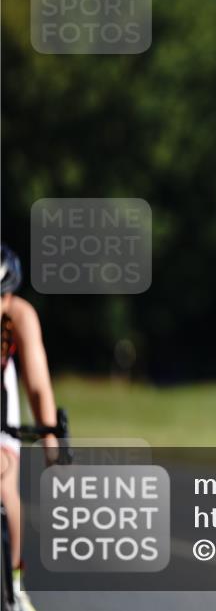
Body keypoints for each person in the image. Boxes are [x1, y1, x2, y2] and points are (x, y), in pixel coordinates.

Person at [1, 244, 58, 611]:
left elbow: (37, 384)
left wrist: (50, 433)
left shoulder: (21, 316)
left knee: (5, 482)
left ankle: (15, 582)